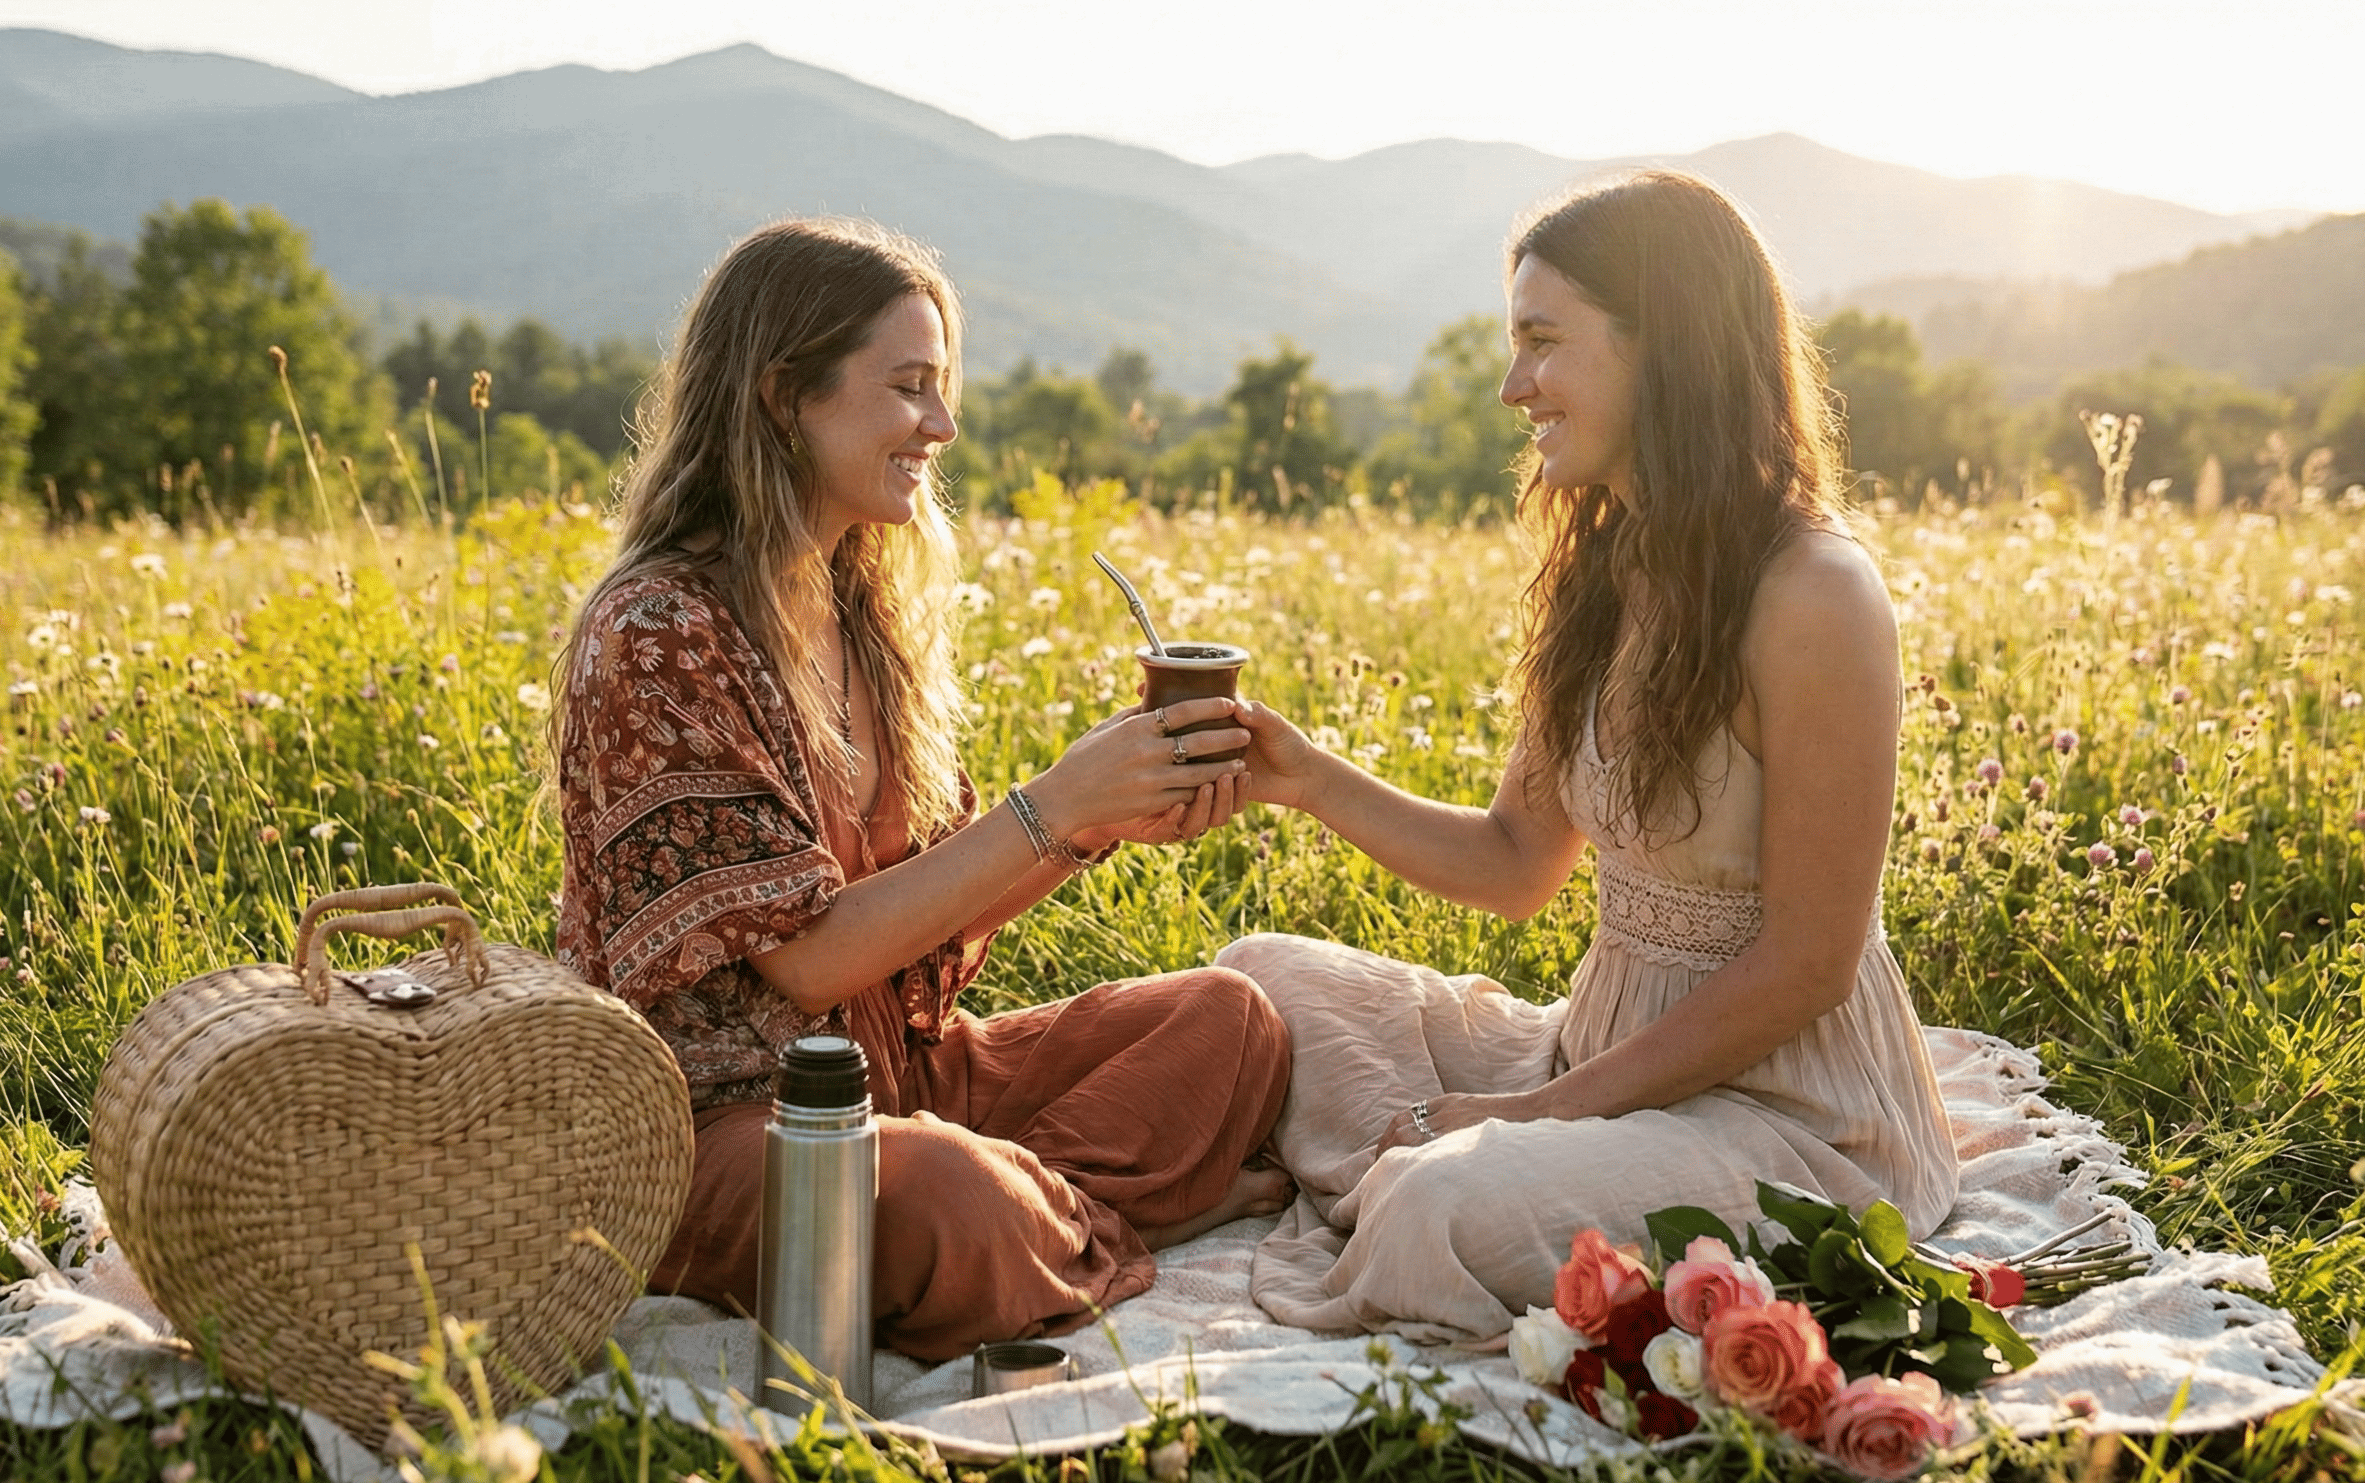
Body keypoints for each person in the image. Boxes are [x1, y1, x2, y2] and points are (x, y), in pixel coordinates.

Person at [1217, 170, 1960, 1346]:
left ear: (1665, 345)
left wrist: (1528, 1117)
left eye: (1542, 342)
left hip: (1786, 1112)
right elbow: (1519, 862)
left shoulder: (1814, 592)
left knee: (1435, 1203)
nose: (1514, 387)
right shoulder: (1605, 567)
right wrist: (1302, 775)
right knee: (1257, 982)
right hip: (1599, 1045)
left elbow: (1808, 962)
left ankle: (1440, 1179)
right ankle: (1472, 1161)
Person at [553, 216, 1291, 1361]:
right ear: (784, 395)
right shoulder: (659, 632)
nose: (940, 428)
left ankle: (1044, 1220)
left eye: (939, 390)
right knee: (947, 1198)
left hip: (893, 1077)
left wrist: (1093, 824)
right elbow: (806, 961)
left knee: (1229, 1023)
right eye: (907, 389)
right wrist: (1051, 804)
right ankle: (1090, 1218)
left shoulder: (860, 611)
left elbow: (918, 926)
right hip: (724, 1123)